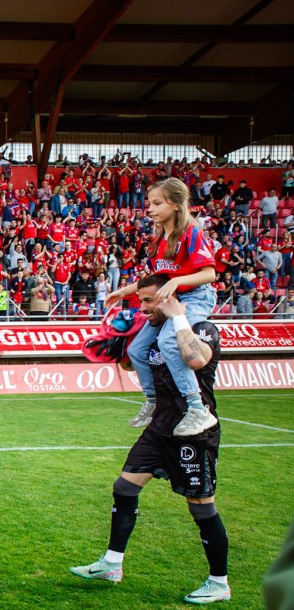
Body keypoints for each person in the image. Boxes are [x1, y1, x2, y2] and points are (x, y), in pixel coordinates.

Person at [70, 273, 230, 605]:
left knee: (201, 508)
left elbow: (196, 359)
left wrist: (178, 317)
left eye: (148, 301)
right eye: (139, 301)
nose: (143, 309)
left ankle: (219, 583)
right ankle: (112, 564)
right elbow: (133, 364)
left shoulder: (200, 329)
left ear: (170, 298)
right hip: (161, 427)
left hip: (194, 432)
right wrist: (119, 342)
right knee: (125, 487)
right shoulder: (155, 332)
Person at [106, 178, 218, 437]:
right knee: (136, 348)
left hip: (196, 297)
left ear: (176, 205)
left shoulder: (192, 233)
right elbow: (157, 279)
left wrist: (178, 280)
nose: (150, 209)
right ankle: (153, 401)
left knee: (169, 342)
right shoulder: (160, 240)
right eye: (149, 203)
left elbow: (209, 274)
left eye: (157, 203)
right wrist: (124, 291)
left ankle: (198, 409)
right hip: (171, 297)